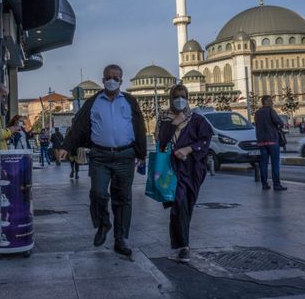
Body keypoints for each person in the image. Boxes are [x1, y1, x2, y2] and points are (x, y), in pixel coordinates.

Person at [60, 64, 146, 256]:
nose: (112, 80)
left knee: (123, 198)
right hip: (100, 156)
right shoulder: (93, 102)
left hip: (125, 156)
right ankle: (103, 223)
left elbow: (140, 127)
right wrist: (66, 146)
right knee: (98, 193)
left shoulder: (130, 101)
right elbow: (79, 125)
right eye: (108, 76)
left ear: (121, 81)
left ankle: (120, 239)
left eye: (116, 77)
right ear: (103, 78)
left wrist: (142, 153)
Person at [156, 84, 213, 263]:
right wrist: (174, 123)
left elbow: (205, 140)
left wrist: (188, 149)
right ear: (170, 98)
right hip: (172, 168)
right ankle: (183, 247)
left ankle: (182, 244)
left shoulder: (197, 119)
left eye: (183, 96)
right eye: (176, 96)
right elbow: (162, 143)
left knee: (187, 204)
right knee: (179, 204)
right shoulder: (164, 119)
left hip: (193, 168)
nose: (180, 100)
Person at [254, 95, 287, 191]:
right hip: (272, 140)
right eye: (271, 101)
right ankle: (276, 184)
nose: (272, 103)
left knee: (263, 163)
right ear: (266, 102)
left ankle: (264, 184)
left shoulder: (257, 113)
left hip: (261, 142)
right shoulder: (270, 111)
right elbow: (280, 122)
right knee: (275, 163)